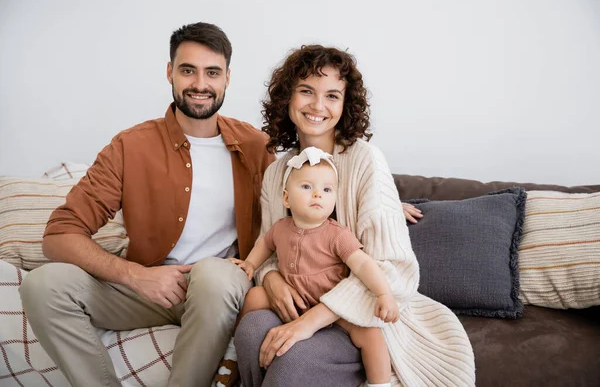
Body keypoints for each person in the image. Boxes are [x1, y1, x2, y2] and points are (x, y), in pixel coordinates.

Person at [18, 22, 274, 387]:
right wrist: (134, 275)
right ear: (170, 72)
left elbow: (286, 225)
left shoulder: (255, 147)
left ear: (227, 78)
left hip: (219, 289)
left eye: (212, 72)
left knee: (214, 274)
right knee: (42, 285)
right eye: (188, 70)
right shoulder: (130, 146)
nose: (200, 84)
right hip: (147, 288)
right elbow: (59, 234)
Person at [234, 45, 475, 387]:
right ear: (287, 98)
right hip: (298, 300)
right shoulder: (277, 173)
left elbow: (393, 269)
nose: (318, 106)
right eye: (306, 91)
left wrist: (312, 320)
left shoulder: (365, 160)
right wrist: (271, 280)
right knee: (251, 332)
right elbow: (274, 245)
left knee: (290, 361)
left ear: (345, 104)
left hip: (356, 315)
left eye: (332, 95)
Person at [230, 146, 399, 386]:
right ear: (286, 198)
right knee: (255, 296)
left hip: (331, 305)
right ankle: (232, 347)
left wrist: (384, 293)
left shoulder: (337, 234)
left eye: (327, 189)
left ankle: (379, 383)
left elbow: (363, 264)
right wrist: (249, 263)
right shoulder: (280, 227)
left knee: (370, 333)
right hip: (296, 301)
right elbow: (264, 246)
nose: (318, 194)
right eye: (307, 187)